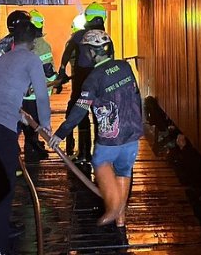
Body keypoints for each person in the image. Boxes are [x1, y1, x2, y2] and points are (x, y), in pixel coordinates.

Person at [49, 30, 143, 227]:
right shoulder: (125, 67)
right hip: (132, 135)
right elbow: (135, 96)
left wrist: (61, 133)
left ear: (91, 52)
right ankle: (120, 218)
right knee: (124, 171)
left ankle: (114, 207)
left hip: (111, 138)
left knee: (100, 163)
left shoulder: (93, 78)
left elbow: (80, 109)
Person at [0, 20, 52, 254]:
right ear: (34, 41)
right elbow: (42, 96)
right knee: (5, 184)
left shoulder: (0, 60)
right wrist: (45, 126)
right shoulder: (31, 59)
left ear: (14, 40)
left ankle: (2, 227)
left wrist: (24, 119)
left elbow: (1, 95)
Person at [57, 2, 114, 162]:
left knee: (81, 115)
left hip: (82, 81)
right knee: (100, 118)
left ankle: (84, 153)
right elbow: (112, 61)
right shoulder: (106, 39)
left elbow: (66, 54)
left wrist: (61, 73)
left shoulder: (78, 36)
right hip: (100, 82)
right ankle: (99, 154)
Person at [20, 9, 57, 161]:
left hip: (24, 93)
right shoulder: (43, 45)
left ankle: (33, 146)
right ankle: (32, 151)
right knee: (34, 124)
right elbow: (48, 72)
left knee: (29, 124)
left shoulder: (22, 45)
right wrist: (55, 81)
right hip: (38, 94)